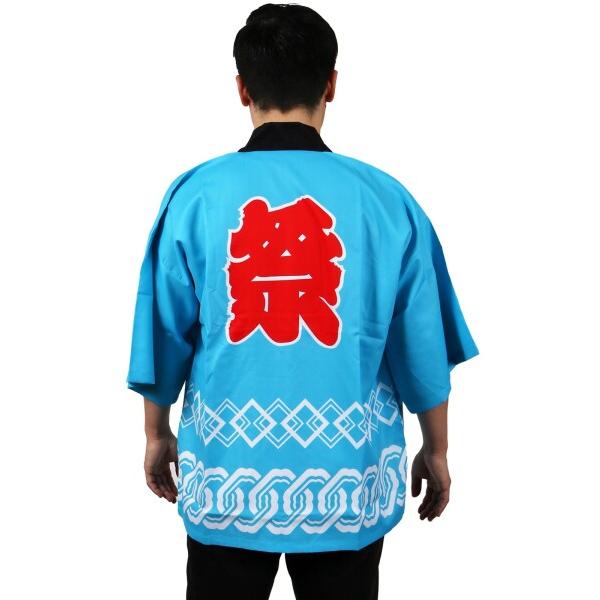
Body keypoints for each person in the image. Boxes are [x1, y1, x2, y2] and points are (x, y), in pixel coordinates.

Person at [125, 4, 480, 599]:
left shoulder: (195, 196)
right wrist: (437, 448)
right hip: (345, 484)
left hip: (229, 480)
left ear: (242, 88)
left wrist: (156, 434)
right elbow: (420, 342)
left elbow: (163, 333)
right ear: (331, 85)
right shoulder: (386, 201)